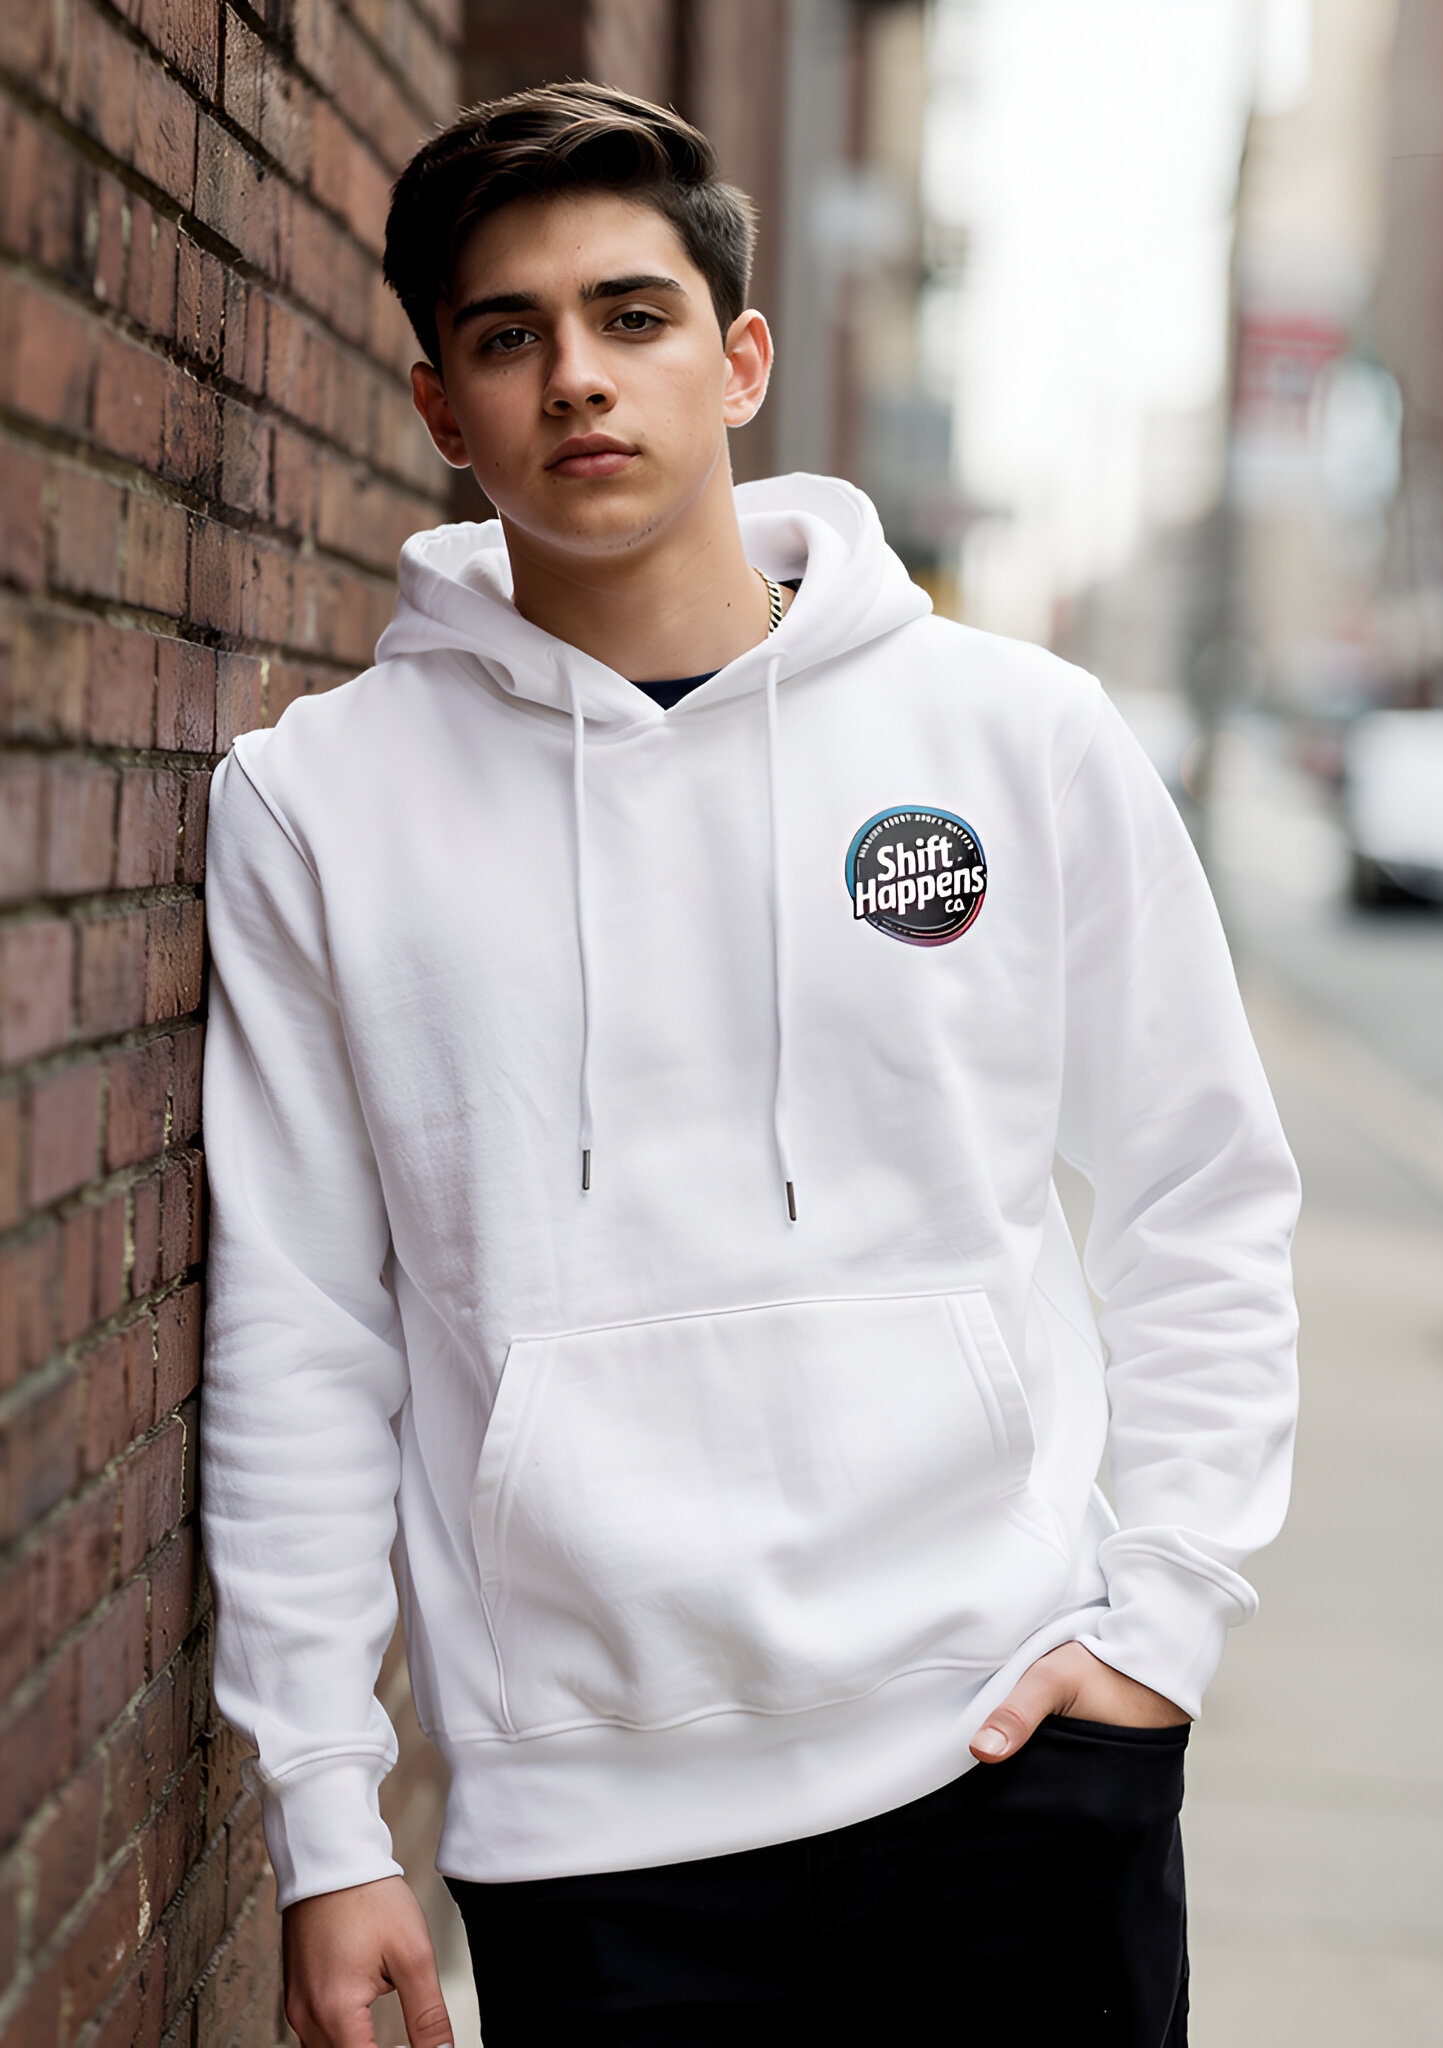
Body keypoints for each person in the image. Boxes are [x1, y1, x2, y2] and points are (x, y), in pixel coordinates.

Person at [200, 82, 1300, 2048]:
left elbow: (1200, 1189)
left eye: (632, 316)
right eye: (508, 335)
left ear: (740, 361)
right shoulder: (319, 807)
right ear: (443, 407)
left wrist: (1166, 1622)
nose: (577, 375)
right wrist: (322, 1812)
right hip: (592, 1832)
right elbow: (299, 1326)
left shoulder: (1015, 736)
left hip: (1014, 1756)